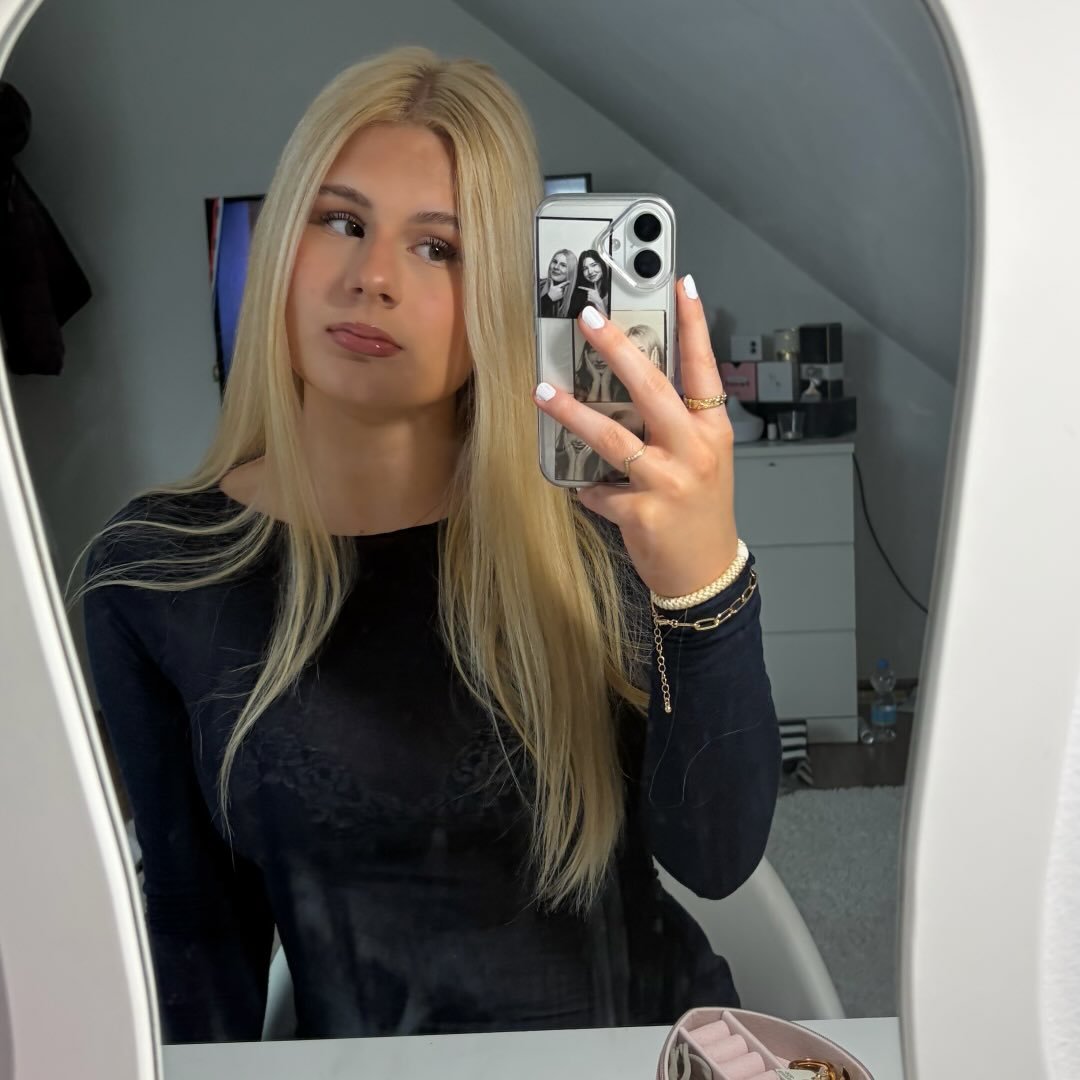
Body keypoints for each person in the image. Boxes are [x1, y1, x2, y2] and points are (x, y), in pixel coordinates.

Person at [75, 46, 780, 1045]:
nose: (372, 278)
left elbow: (715, 856)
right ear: (281, 243)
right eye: (341, 221)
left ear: (500, 289)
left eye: (440, 247)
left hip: (632, 1049)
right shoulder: (157, 572)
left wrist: (703, 582)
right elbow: (197, 929)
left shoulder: (599, 523)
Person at [566, 248, 611, 319]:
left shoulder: (612, 290)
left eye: (594, 265)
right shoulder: (579, 293)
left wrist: (599, 302)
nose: (590, 271)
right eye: (585, 268)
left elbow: (610, 323)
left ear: (602, 264)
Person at [537, 248, 576, 317]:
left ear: (571, 271)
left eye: (563, 265)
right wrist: (548, 298)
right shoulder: (537, 286)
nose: (556, 267)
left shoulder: (576, 297)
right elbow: (527, 314)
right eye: (555, 262)